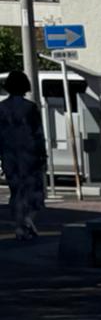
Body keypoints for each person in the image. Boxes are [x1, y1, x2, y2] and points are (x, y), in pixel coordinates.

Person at [0, 70, 47, 242]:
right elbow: (38, 134)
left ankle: (19, 226)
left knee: (16, 192)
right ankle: (27, 220)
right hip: (29, 154)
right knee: (35, 192)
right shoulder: (30, 108)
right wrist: (43, 155)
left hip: (9, 155)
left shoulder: (1, 108)